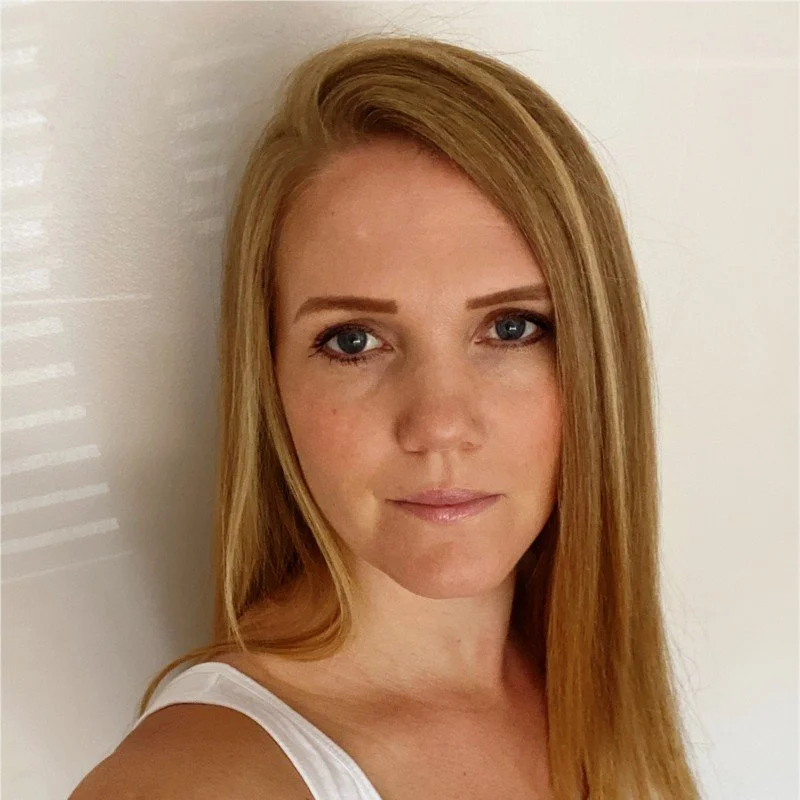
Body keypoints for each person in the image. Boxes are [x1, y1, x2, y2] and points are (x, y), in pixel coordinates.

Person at [70, 33, 701, 800]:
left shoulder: (585, 685)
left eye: (511, 328)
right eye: (354, 341)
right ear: (270, 380)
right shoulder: (199, 783)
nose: (439, 425)